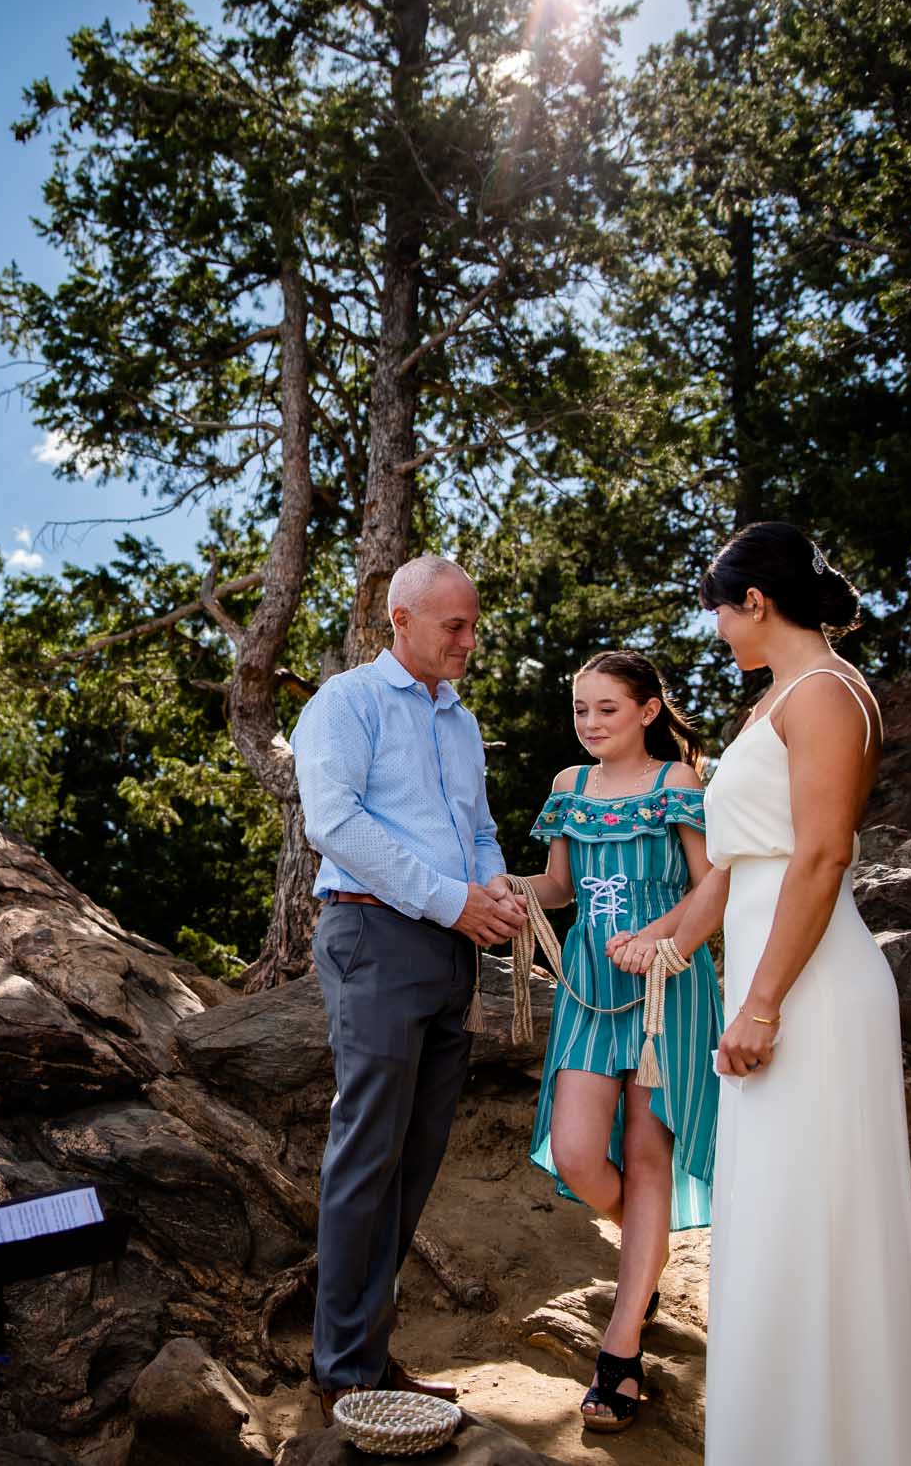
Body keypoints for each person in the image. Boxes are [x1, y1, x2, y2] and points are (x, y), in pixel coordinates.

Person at [664, 522, 911, 1464]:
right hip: (774, 984)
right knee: (770, 1234)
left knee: (815, 1230)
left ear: (757, 603)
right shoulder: (768, 702)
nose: (720, 636)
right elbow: (738, 864)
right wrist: (663, 943)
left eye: (721, 616)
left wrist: (763, 1001)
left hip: (813, 996)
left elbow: (820, 855)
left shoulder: (825, 695)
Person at [291, 553, 528, 1421]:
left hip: (450, 946)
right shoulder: (344, 703)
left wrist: (492, 888)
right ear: (399, 620)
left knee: (416, 1157)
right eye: (452, 625)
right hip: (375, 937)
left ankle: (365, 1352)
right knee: (368, 1154)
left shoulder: (460, 723)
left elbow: (480, 830)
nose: (469, 639)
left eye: (472, 624)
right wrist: (450, 899)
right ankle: (344, 1372)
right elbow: (335, 822)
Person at [516, 650, 722, 1433]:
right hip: (589, 990)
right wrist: (497, 886)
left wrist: (657, 937)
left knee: (645, 1153)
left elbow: (714, 884)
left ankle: (622, 1342)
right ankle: (648, 1252)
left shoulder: (678, 785)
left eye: (607, 708)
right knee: (575, 1152)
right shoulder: (569, 787)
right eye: (581, 709)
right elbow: (558, 887)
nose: (592, 722)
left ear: (646, 710)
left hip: (669, 986)